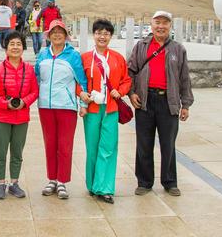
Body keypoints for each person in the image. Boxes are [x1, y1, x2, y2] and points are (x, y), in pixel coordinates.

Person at [128, 11, 194, 197]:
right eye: (158, 22)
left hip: (169, 102)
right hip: (145, 100)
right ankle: (144, 182)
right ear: (152, 24)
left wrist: (186, 104)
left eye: (165, 23)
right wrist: (132, 93)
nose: (161, 26)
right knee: (144, 144)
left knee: (168, 144)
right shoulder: (141, 47)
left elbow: (184, 78)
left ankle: (170, 182)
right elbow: (130, 71)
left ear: (170, 26)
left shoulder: (178, 49)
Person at [78, 19, 131, 204]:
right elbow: (78, 81)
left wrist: (120, 91)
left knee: (108, 148)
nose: (102, 36)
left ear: (110, 36)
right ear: (94, 35)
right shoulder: (84, 58)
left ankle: (105, 187)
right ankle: (93, 185)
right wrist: (82, 94)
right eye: (99, 33)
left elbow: (126, 80)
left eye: (106, 33)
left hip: (111, 108)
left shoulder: (117, 58)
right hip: (92, 108)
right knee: (92, 147)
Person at [35, 20, 88, 199]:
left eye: (61, 32)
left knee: (64, 146)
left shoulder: (73, 55)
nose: (57, 35)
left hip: (66, 107)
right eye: (53, 32)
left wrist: (84, 105)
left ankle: (62, 181)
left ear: (66, 35)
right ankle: (52, 179)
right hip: (45, 107)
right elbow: (36, 78)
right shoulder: (42, 54)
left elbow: (82, 81)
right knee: (50, 144)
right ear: (48, 35)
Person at [0, 31, 39, 199]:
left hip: (21, 117)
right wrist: (5, 104)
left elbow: (35, 91)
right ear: (6, 47)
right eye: (12, 44)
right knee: (0, 151)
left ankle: (14, 183)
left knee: (17, 152)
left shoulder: (29, 69)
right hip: (1, 117)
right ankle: (1, 183)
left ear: (23, 48)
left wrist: (24, 102)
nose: (15, 47)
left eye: (18, 44)